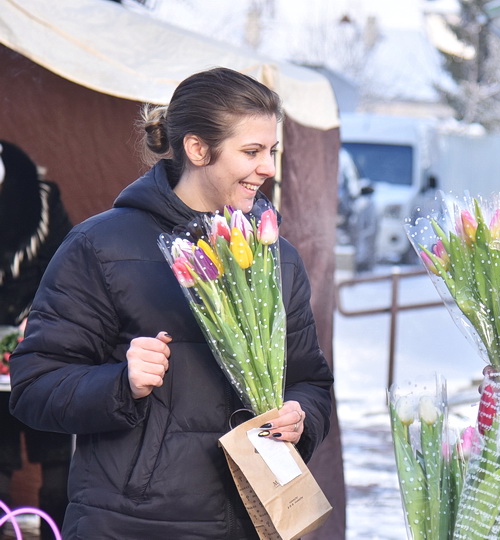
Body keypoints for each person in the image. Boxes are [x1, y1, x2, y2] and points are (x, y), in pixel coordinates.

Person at [8, 67, 334, 539]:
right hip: (132, 524)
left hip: (253, 520)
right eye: (252, 151)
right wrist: (121, 383)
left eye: (272, 152)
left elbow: (311, 381)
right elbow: (34, 385)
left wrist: (300, 415)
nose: (268, 168)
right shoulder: (101, 245)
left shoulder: (276, 257)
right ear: (198, 149)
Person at [0, 140, 73, 539]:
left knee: (58, 464)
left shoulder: (43, 201)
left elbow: (65, 268)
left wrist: (38, 315)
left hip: (44, 345)